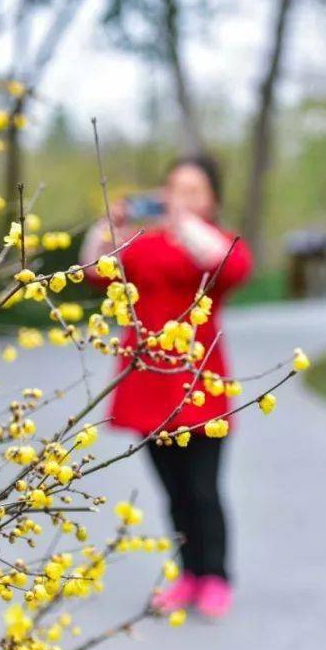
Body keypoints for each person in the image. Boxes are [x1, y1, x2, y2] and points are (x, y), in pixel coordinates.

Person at [81, 155, 253, 618]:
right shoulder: (145, 244)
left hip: (200, 387)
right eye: (174, 189)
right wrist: (108, 224)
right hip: (147, 389)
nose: (181, 199)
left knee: (203, 490)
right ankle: (188, 574)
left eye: (193, 191)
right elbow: (95, 270)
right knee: (173, 493)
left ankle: (215, 574)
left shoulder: (218, 244)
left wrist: (184, 220)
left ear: (213, 200)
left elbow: (228, 266)